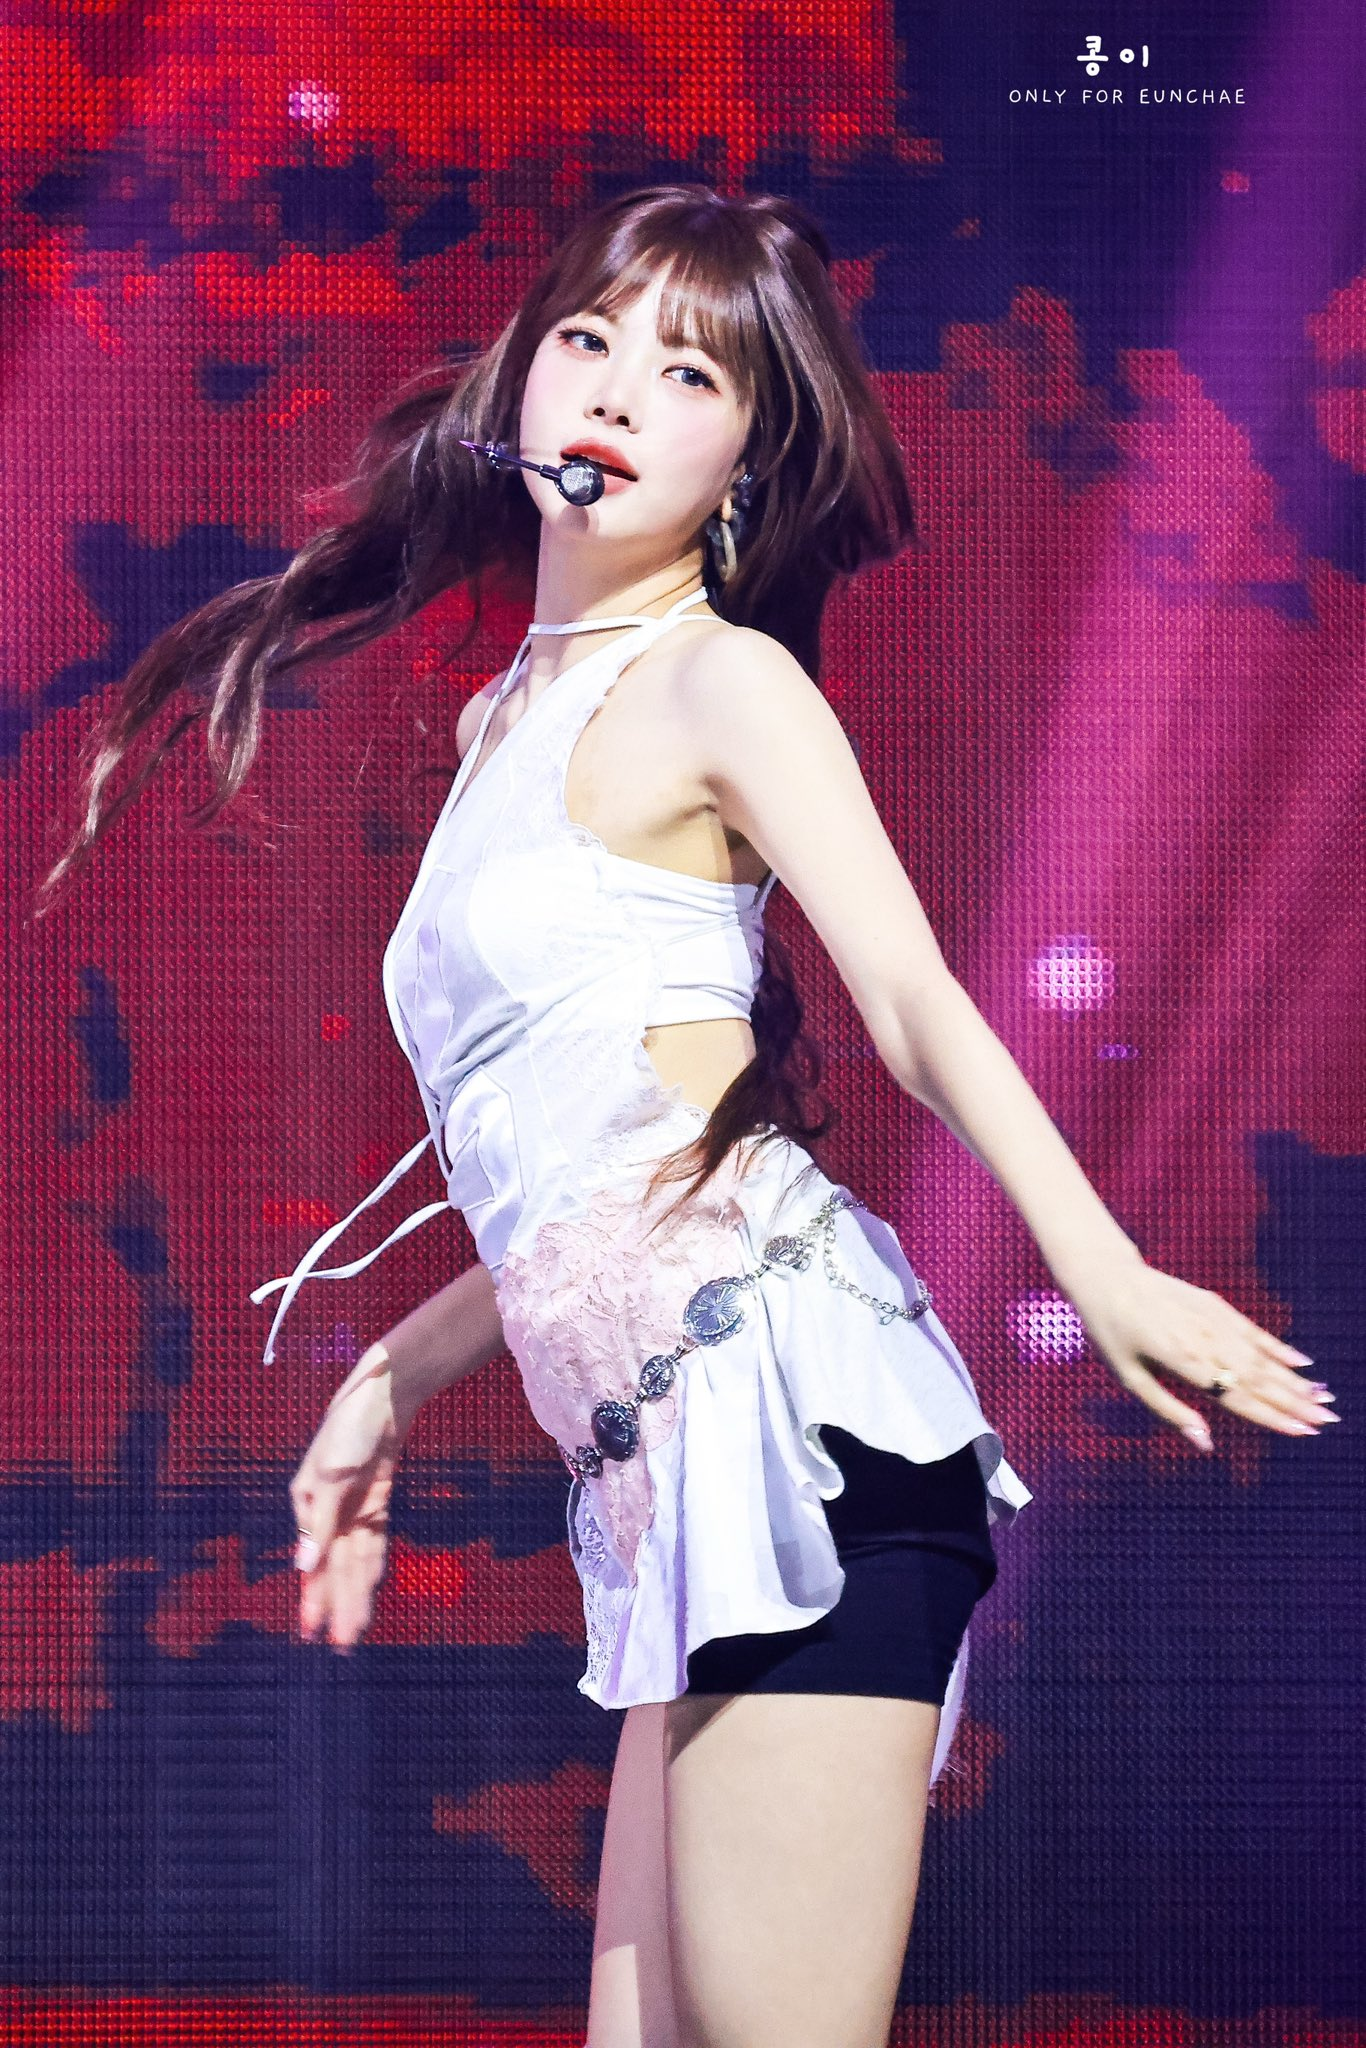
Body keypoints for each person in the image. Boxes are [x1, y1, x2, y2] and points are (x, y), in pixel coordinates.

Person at [38, 184, 1338, 2048]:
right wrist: (391, 1375)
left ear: (745, 458)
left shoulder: (721, 680)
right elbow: (612, 1173)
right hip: (671, 1490)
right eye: (589, 339)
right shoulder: (506, 718)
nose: (618, 390)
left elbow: (909, 1001)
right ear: (521, 375)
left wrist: (1104, 1270)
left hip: (803, 1450)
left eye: (689, 372)